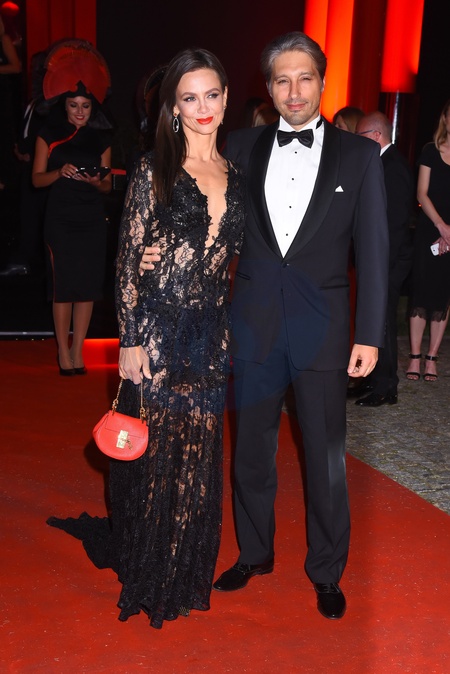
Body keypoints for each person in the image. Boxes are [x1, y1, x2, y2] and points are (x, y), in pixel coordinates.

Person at [142, 32, 389, 621]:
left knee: (326, 460)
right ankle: (254, 553)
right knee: (251, 451)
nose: (294, 91)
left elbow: (375, 252)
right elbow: (205, 209)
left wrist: (371, 334)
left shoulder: (359, 156)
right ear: (268, 88)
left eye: (305, 78)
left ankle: (326, 570)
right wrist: (159, 249)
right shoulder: (242, 146)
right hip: (252, 325)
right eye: (282, 80)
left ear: (322, 82)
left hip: (324, 331)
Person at [48, 47, 245, 629]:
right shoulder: (153, 169)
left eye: (212, 94)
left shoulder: (239, 176)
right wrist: (130, 339)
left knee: (197, 458)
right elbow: (128, 259)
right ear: (173, 107)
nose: (202, 107)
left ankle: (185, 572)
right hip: (156, 330)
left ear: (226, 99)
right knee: (153, 457)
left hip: (209, 335)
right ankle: (147, 569)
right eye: (189, 97)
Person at [32, 41, 112, 375]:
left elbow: (108, 184)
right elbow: (36, 179)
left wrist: (96, 182)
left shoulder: (102, 137)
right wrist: (58, 172)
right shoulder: (48, 134)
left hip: (91, 217)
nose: (80, 111)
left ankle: (78, 351)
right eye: (74, 105)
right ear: (64, 105)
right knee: (63, 286)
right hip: (61, 218)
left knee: (87, 287)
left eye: (85, 106)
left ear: (93, 107)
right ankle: (62, 352)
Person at [349, 111, 413, 405]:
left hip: (389, 262)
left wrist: (381, 266)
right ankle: (372, 380)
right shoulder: (382, 163)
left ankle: (386, 386)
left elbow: (395, 223)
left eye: (359, 135)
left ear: (376, 136)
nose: (356, 141)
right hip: (380, 260)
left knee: (383, 322)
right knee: (375, 321)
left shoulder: (393, 167)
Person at [406, 99, 450, 382]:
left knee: (443, 295)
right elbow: (421, 193)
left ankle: (432, 357)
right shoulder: (430, 151)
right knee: (421, 292)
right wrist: (441, 226)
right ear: (445, 118)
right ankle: (414, 356)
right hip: (429, 229)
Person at [0, 13, 21, 189]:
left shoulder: (3, 39)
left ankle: (5, 179)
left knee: (3, 137)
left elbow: (16, 66)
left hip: (2, 95)